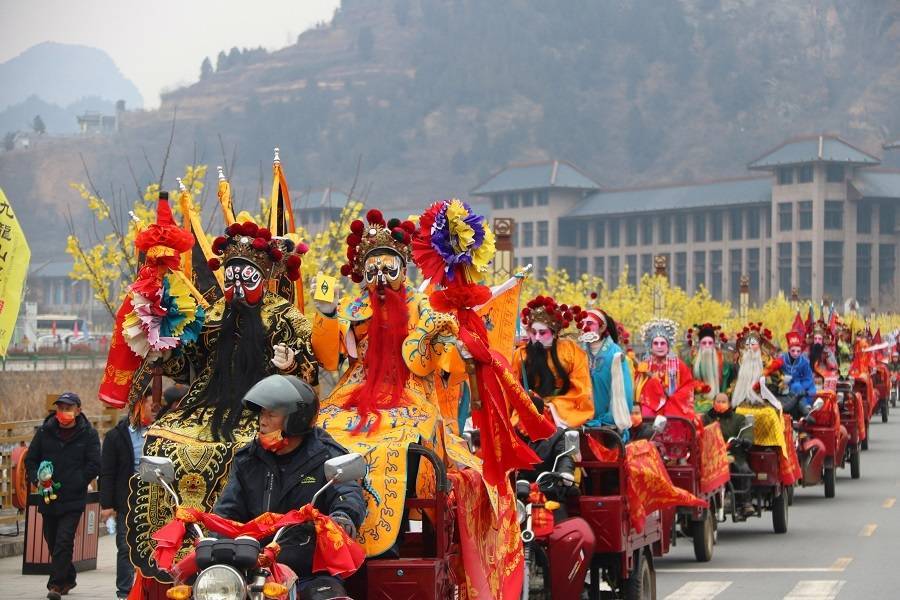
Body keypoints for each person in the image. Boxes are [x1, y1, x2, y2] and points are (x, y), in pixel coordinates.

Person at [214, 374, 366, 599]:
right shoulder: (248, 459)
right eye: (261, 414)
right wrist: (214, 539)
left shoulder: (327, 456)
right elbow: (227, 512)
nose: (262, 421)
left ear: (296, 419)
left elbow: (347, 494)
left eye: (271, 414)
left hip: (310, 571)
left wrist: (342, 519)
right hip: (255, 569)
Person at [25, 392, 101, 600]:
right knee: (51, 539)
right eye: (60, 408)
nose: (63, 412)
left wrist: (79, 481)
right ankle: (69, 576)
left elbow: (94, 464)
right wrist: (36, 479)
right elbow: (30, 460)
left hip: (73, 498)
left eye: (68, 408)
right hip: (48, 497)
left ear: (78, 410)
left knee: (63, 540)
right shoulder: (44, 431)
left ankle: (56, 585)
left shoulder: (88, 434)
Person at [100, 389, 160, 599]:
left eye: (156, 407)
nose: (154, 411)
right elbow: (107, 472)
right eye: (150, 406)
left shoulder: (161, 431)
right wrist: (107, 505)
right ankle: (124, 592)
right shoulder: (116, 436)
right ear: (137, 406)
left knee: (155, 546)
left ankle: (151, 590)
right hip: (127, 497)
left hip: (156, 496)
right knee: (126, 547)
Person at [512, 295, 593, 428]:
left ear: (554, 333)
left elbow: (581, 388)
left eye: (542, 333)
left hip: (562, 411)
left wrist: (553, 406)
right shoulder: (520, 354)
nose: (537, 338)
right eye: (533, 332)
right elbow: (512, 389)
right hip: (527, 411)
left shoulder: (570, 350)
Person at [576, 308, 633, 436]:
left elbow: (625, 393)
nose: (585, 327)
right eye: (583, 324)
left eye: (590, 324)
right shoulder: (578, 353)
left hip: (608, 426)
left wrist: (610, 419)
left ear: (602, 327)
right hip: (582, 423)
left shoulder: (615, 354)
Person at [634, 318, 697, 422]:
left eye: (663, 343)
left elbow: (688, 386)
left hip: (674, 408)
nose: (659, 346)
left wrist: (673, 400)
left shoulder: (679, 365)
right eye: (656, 343)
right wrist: (652, 384)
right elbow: (637, 390)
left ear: (668, 346)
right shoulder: (643, 366)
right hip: (650, 410)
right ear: (650, 346)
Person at [703, 393, 753, 514]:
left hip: (733, 454)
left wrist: (743, 440)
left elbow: (747, 431)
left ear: (729, 403)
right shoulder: (706, 418)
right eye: (718, 401)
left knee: (744, 469)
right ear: (713, 403)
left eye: (723, 401)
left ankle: (745, 502)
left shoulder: (739, 418)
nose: (720, 404)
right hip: (711, 456)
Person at [767, 331, 817, 418]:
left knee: (796, 386)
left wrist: (801, 386)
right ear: (789, 350)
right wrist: (781, 381)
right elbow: (774, 372)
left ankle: (805, 408)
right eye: (793, 351)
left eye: (798, 351)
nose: (795, 353)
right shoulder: (781, 359)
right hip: (784, 386)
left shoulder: (804, 361)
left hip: (802, 387)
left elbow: (809, 378)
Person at [686, 323, 734, 414]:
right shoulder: (692, 361)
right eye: (704, 343)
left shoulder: (723, 362)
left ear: (714, 344)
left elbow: (728, 384)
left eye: (710, 343)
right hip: (696, 402)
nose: (707, 346)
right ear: (699, 344)